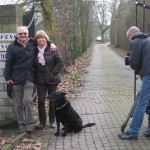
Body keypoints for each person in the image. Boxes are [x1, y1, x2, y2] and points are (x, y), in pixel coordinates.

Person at [4, 26, 56, 133]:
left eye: (25, 33)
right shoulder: (12, 47)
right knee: (18, 103)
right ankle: (21, 124)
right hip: (16, 79)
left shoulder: (33, 43)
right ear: (17, 35)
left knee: (27, 100)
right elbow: (8, 63)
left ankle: (30, 123)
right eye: (20, 33)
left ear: (28, 34)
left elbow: (43, 40)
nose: (23, 35)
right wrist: (7, 77)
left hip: (30, 78)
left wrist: (51, 43)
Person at [118, 26, 150, 140]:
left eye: (128, 38)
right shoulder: (147, 39)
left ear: (131, 34)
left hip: (148, 74)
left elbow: (134, 63)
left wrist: (130, 59)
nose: (129, 40)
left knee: (141, 103)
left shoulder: (136, 40)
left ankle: (133, 132)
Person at [34, 30, 64, 129]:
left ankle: (52, 120)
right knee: (41, 101)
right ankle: (42, 121)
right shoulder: (34, 49)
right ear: (36, 40)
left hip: (52, 79)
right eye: (39, 38)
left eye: (43, 37)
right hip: (40, 80)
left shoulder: (53, 49)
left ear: (46, 39)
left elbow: (60, 62)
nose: (41, 39)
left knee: (52, 101)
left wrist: (53, 73)